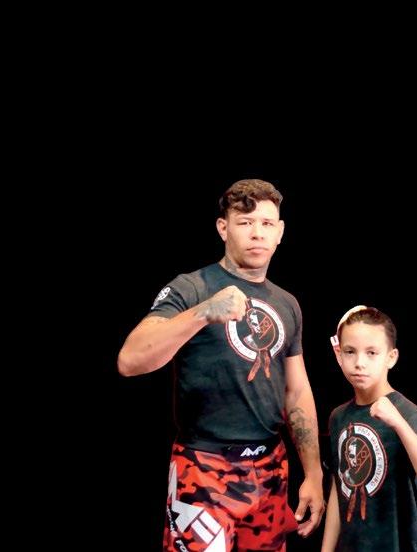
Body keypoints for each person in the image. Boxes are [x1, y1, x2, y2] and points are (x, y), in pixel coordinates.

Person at [118, 179, 324, 551]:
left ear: (280, 232)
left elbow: (296, 391)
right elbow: (130, 360)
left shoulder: (287, 303)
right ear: (223, 227)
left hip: (269, 469)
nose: (257, 233)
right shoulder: (191, 287)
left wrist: (313, 472)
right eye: (245, 222)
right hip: (204, 467)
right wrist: (203, 312)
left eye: (266, 223)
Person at [321, 306, 417, 552]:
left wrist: (399, 423)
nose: (359, 363)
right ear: (339, 354)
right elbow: (340, 488)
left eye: (371, 353)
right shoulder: (339, 417)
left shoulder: (406, 412)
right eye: (350, 351)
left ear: (391, 357)